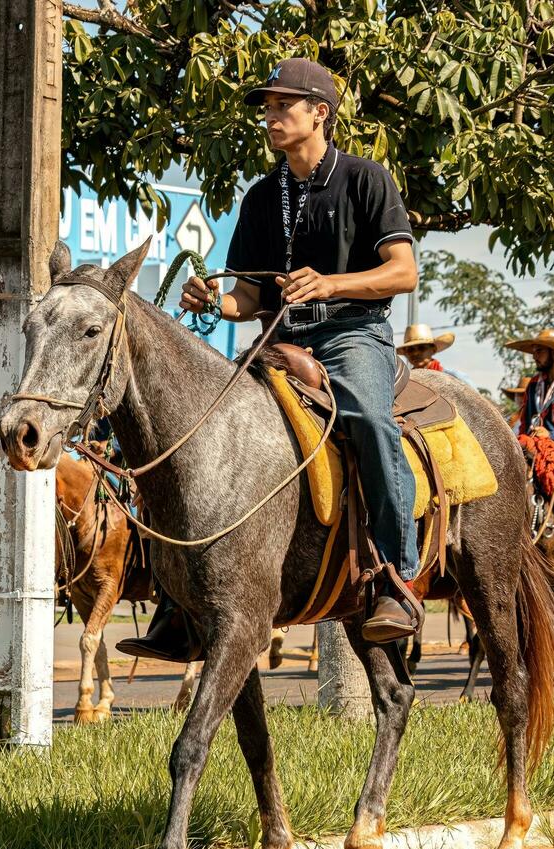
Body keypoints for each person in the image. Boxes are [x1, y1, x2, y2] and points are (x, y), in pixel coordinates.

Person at [150, 56, 421, 649]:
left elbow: (403, 273)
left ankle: (399, 579)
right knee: (200, 425)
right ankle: (179, 601)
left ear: (319, 113)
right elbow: (247, 296)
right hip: (278, 340)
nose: (270, 117)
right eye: (268, 108)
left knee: (372, 422)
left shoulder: (364, 178)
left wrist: (331, 283)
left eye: (282, 106)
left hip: (354, 334)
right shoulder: (260, 196)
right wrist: (212, 302)